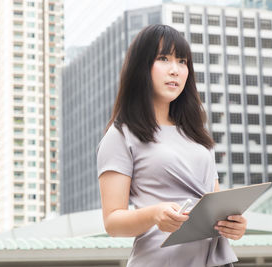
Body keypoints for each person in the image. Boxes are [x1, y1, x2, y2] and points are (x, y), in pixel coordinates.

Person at [96, 24, 247, 267]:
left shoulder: (197, 134)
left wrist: (233, 225)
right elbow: (112, 223)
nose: (175, 70)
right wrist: (154, 214)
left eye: (182, 61)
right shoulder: (121, 135)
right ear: (141, 67)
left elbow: (214, 205)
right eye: (164, 59)